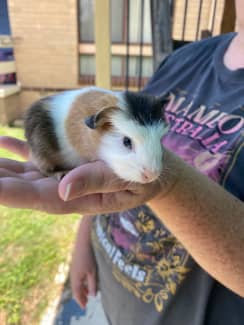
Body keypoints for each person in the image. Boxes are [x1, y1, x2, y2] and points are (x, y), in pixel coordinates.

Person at [0, 0, 244, 323]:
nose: (153, 168)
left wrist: (167, 186)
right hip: (104, 293)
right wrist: (83, 240)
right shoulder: (186, 59)